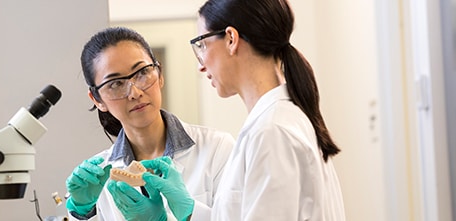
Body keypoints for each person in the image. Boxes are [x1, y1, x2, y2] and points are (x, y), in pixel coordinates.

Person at [140, 0, 346, 220]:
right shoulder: (277, 121)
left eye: (202, 45)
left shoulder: (272, 131)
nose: (201, 65)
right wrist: (188, 212)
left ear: (231, 39)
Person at [64, 26, 234, 221]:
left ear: (159, 75)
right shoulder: (97, 178)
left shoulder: (218, 148)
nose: (135, 92)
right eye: (116, 84)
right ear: (97, 100)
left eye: (142, 72)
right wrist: (82, 212)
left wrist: (188, 214)